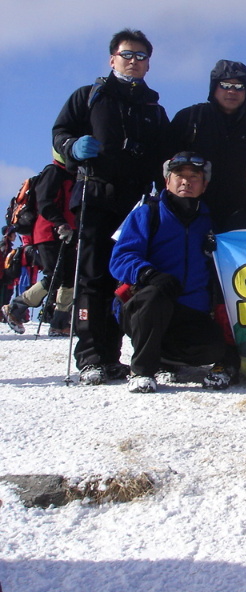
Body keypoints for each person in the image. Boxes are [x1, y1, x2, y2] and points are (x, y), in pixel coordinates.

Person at [52, 28, 169, 385]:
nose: (133, 62)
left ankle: (117, 354)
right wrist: (73, 147)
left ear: (149, 65)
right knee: (92, 278)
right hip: (95, 197)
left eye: (141, 57)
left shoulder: (154, 108)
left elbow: (164, 157)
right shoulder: (88, 97)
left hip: (135, 205)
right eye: (127, 55)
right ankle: (91, 356)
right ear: (112, 58)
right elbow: (59, 135)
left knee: (128, 277)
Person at [110, 152, 239, 393]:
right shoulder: (147, 213)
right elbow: (120, 258)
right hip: (147, 305)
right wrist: (149, 274)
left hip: (191, 311)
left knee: (214, 348)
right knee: (154, 297)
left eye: (194, 177)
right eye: (179, 176)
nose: (186, 182)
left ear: (205, 184)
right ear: (167, 181)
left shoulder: (209, 220)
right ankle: (142, 371)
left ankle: (165, 358)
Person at [168, 60, 246, 231]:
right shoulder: (190, 118)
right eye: (225, 85)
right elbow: (165, 165)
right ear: (213, 87)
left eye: (239, 86)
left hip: (242, 216)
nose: (232, 91)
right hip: (191, 214)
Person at [1, 153, 76, 336]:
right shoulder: (53, 172)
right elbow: (44, 203)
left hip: (66, 232)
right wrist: (60, 222)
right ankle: (16, 307)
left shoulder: (71, 174)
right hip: (49, 232)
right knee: (54, 275)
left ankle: (59, 322)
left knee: (70, 277)